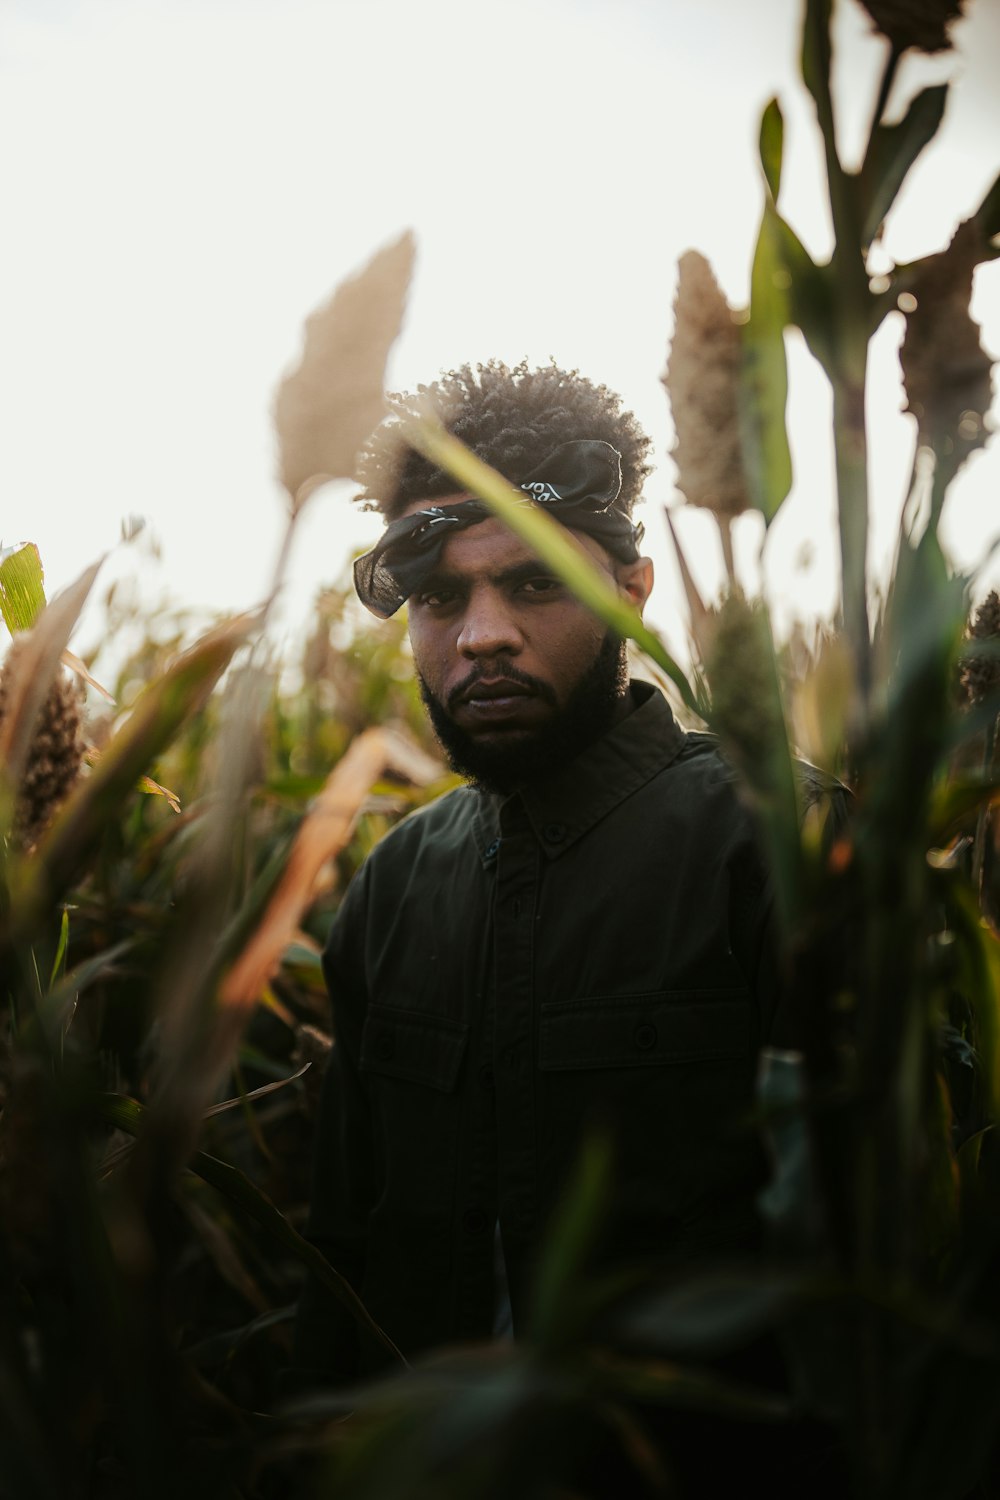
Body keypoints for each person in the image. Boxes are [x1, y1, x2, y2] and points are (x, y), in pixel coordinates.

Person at [294, 359, 809, 1397]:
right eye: (442, 597)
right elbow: (341, 1262)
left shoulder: (777, 846)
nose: (484, 633)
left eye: (533, 581)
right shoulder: (392, 890)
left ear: (630, 588)